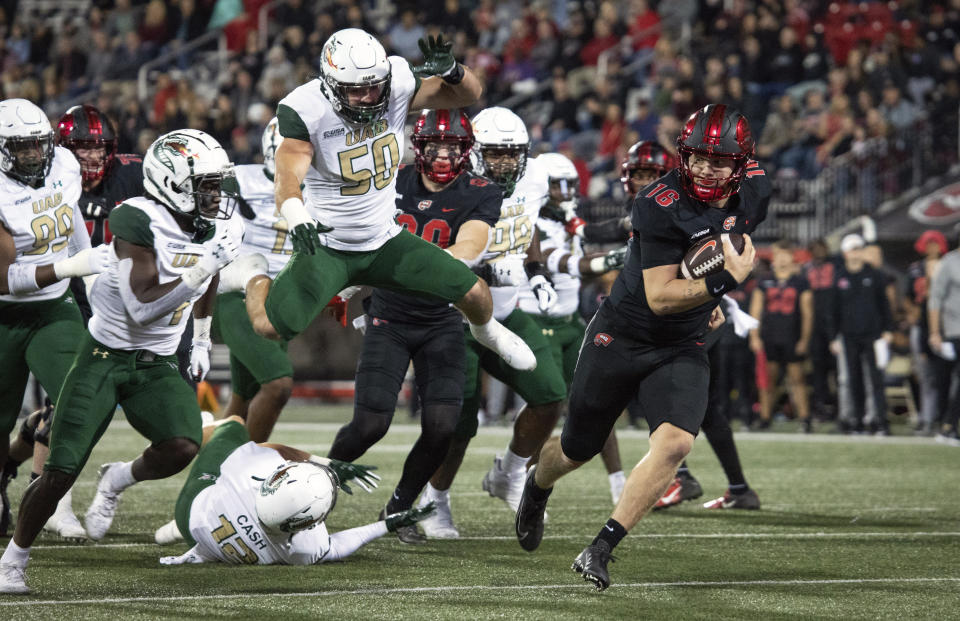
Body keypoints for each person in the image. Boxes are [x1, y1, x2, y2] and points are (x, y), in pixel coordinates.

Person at [514, 104, 769, 592]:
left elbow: (726, 245)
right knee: (574, 450)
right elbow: (662, 297)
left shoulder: (756, 189)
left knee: (675, 442)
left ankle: (602, 546)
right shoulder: (659, 202)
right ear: (683, 156)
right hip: (623, 335)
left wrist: (715, 292)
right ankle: (536, 484)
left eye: (720, 161)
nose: (706, 170)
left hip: (682, 343)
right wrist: (720, 285)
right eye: (697, 158)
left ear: (742, 165)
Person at [0, 129, 243, 594]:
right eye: (206, 185)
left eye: (217, 183)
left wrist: (202, 339)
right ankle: (13, 559)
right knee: (60, 470)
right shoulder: (136, 219)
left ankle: (116, 479)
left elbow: (209, 277)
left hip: (156, 361)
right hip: (104, 356)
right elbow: (143, 306)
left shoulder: (219, 226)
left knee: (183, 445)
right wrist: (200, 268)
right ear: (173, 183)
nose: (216, 195)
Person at [235, 29, 535, 375]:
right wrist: (295, 212)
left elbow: (469, 93)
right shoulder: (306, 110)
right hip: (329, 246)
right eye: (356, 90)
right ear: (330, 84)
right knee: (271, 327)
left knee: (475, 293)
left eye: (373, 87)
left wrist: (452, 70)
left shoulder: (396, 85)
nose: (367, 97)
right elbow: (288, 173)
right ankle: (252, 274)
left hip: (384, 239)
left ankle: (488, 332)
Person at [326, 108, 502, 544]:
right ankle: (314, 489)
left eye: (451, 148)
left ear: (466, 152)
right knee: (369, 426)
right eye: (434, 147)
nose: (443, 156)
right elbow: (357, 235)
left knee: (444, 425)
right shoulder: (391, 181)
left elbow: (470, 247)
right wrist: (345, 285)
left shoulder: (481, 191)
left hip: (443, 317)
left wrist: (408, 266)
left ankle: (399, 507)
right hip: (390, 316)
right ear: (418, 148)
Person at [415, 107, 568, 539]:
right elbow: (436, 251)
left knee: (550, 394)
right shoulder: (452, 185)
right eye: (495, 154)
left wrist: (535, 272)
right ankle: (435, 500)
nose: (504, 162)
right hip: (454, 315)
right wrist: (491, 272)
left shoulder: (535, 176)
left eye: (511, 153)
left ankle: (510, 473)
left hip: (506, 312)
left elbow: (529, 222)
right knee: (460, 421)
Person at [2, 104, 150, 541]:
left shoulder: (64, 162)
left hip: (54, 307)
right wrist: (69, 268)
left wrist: (92, 270)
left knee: (80, 398)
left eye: (38, 144)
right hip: (5, 308)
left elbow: (72, 230)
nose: (33, 154)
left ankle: (47, 494)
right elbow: (5, 278)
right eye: (21, 146)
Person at [152, 416, 433, 564]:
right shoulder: (300, 551)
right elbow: (339, 546)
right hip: (214, 546)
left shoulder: (245, 475)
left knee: (234, 426)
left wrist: (323, 462)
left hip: (193, 511)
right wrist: (387, 524)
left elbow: (273, 449)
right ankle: (177, 530)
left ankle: (197, 426)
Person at [522, 151, 628, 504]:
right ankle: (523, 480)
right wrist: (617, 259)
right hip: (539, 323)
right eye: (557, 185)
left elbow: (589, 247)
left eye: (571, 184)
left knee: (599, 402)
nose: (566, 191)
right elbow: (568, 265)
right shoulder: (529, 220)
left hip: (571, 323)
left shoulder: (570, 221)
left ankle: (618, 482)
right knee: (548, 407)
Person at [213, 118, 297, 443]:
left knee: (241, 400)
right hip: (237, 292)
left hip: (282, 303)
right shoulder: (239, 180)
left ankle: (209, 469)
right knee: (277, 384)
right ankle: (248, 465)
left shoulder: (320, 189)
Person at [829, 234, 893, 435]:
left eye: (858, 249)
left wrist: (888, 330)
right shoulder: (839, 277)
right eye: (852, 249)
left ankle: (879, 421)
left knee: (875, 379)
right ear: (845, 253)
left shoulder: (874, 275)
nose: (855, 253)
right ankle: (856, 420)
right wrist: (834, 337)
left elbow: (884, 305)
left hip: (873, 335)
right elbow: (833, 311)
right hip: (849, 336)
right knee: (853, 379)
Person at [749, 239, 813, 431]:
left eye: (786, 255)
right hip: (769, 336)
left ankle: (805, 418)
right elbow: (756, 310)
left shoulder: (801, 281)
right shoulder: (764, 280)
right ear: (774, 257)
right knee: (767, 380)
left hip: (791, 336)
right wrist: (754, 336)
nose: (782, 260)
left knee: (797, 379)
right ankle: (765, 417)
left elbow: (808, 313)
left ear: (792, 257)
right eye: (779, 255)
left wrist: (804, 339)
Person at [927, 231, 960, 444]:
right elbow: (935, 299)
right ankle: (947, 424)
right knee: (946, 379)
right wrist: (935, 332)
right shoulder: (950, 262)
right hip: (955, 329)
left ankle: (949, 423)